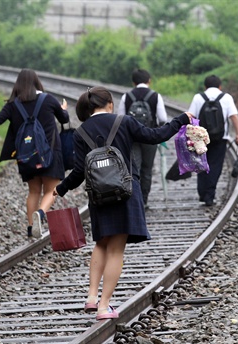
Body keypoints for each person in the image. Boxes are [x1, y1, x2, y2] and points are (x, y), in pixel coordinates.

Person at [53, 86, 192, 320]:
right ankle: (104, 306)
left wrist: (61, 188)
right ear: (109, 103)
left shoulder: (81, 132)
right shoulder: (124, 121)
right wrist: (180, 120)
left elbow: (79, 172)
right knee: (116, 250)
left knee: (101, 244)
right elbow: (155, 136)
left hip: (98, 195)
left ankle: (91, 297)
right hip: (125, 190)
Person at [0, 68, 69, 238]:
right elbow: (64, 119)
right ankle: (41, 214)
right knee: (51, 191)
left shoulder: (13, 105)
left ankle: (31, 228)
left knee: (33, 192)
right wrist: (63, 108)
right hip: (50, 154)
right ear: (36, 82)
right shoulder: (48, 99)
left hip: (27, 156)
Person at [187, 75, 238, 206]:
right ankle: (209, 196)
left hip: (201, 137)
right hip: (220, 137)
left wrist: (188, 135)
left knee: (202, 163)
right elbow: (233, 116)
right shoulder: (226, 98)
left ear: (205, 86)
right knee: (215, 165)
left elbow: (190, 116)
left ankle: (202, 192)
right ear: (220, 86)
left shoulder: (198, 97)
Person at [117, 69, 168, 207]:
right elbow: (163, 118)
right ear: (149, 81)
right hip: (150, 137)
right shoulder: (155, 96)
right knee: (147, 169)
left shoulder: (126, 96)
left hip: (132, 139)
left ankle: (135, 200)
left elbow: (120, 119)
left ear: (133, 82)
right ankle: (144, 200)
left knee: (134, 169)